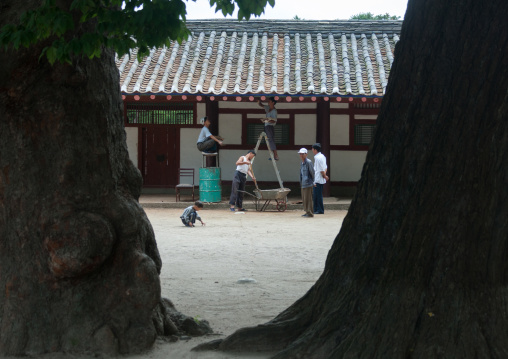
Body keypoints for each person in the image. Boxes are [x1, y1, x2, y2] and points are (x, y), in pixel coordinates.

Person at [312, 143, 329, 214]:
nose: (312, 150)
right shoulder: (323, 156)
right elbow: (325, 167)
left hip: (318, 178)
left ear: (315, 150)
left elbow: (321, 169)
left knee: (317, 195)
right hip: (320, 178)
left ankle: (319, 209)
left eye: (313, 149)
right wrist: (325, 175)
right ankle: (316, 209)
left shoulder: (317, 158)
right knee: (317, 194)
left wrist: (324, 176)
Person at [298, 148, 315, 217]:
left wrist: (313, 182)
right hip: (303, 183)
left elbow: (312, 173)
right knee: (304, 199)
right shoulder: (302, 163)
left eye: (303, 154)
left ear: (306, 154)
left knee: (308, 199)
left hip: (308, 183)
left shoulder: (308, 162)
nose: (301, 155)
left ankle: (310, 212)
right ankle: (307, 211)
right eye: (300, 154)